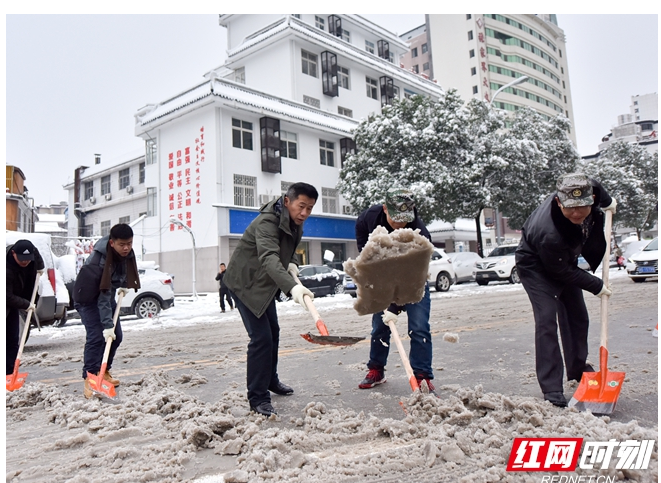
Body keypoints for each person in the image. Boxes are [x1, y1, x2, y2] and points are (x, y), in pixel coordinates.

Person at [515, 173, 617, 407]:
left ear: (591, 199)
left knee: (577, 315)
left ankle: (578, 369)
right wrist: (596, 285)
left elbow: (597, 186)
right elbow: (560, 272)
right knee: (547, 319)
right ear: (559, 202)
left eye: (582, 207)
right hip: (535, 265)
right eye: (570, 208)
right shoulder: (549, 232)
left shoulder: (589, 189)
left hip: (563, 260)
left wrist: (608, 201)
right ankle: (551, 388)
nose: (577, 213)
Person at [224, 182, 318, 416]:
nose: (304, 213)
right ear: (287, 201)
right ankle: (257, 398)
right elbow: (269, 257)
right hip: (245, 283)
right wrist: (292, 289)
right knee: (261, 338)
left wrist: (293, 265)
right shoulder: (267, 222)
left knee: (273, 332)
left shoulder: (293, 220)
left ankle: (270, 380)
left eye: (310, 208)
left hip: (264, 284)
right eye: (301, 206)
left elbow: (288, 248)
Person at [355, 187, 436, 395]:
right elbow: (365, 243)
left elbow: (412, 274)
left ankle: (422, 375)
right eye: (395, 220)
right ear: (385, 209)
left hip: (414, 279)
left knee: (419, 327)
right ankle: (376, 369)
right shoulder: (369, 219)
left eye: (404, 220)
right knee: (379, 326)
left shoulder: (419, 232)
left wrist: (396, 305)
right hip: (382, 276)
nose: (400, 225)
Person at [72, 223, 141, 398]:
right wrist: (107, 325)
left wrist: (123, 284)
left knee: (116, 337)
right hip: (87, 300)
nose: (126, 248)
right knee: (97, 337)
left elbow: (125, 269)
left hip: (105, 296)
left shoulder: (124, 253)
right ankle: (90, 376)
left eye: (129, 243)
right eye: (122, 244)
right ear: (112, 243)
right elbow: (102, 297)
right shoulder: (100, 261)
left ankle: (105, 370)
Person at [6, 239, 45, 376]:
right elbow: (7, 296)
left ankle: (9, 373)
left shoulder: (30, 258)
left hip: (12, 306)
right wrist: (26, 304)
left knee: (12, 340)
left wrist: (40, 266)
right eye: (22, 259)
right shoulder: (7, 270)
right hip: (9, 300)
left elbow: (34, 251)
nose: (25, 262)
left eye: (28, 259)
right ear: (13, 253)